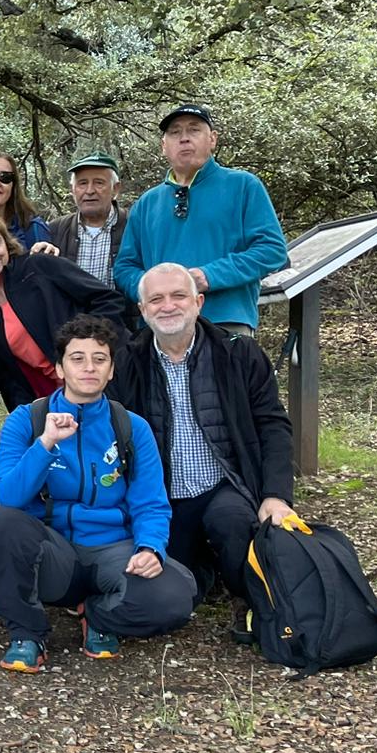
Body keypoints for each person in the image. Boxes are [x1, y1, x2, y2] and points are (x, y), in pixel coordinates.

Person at [0, 314, 195, 673]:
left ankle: (98, 614)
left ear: (111, 371)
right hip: (53, 554)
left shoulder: (130, 427)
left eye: (100, 359)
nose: (89, 368)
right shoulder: (28, 419)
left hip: (113, 552)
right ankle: (27, 633)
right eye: (77, 358)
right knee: (1, 523)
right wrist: (46, 444)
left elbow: (151, 502)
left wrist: (150, 548)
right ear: (60, 368)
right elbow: (7, 495)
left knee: (175, 598)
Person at [114, 262, 297, 625]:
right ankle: (203, 572)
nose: (168, 306)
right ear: (142, 310)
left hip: (222, 486)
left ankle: (251, 602)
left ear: (198, 302)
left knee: (233, 526)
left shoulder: (239, 354)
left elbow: (273, 425)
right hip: (162, 495)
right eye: (156, 299)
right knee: (169, 592)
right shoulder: (126, 362)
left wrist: (276, 495)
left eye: (178, 296)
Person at [112, 104, 287, 335]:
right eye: (175, 132)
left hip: (225, 323)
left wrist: (209, 276)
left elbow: (272, 250)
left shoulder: (243, 186)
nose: (184, 138)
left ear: (212, 139)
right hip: (159, 328)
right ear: (164, 146)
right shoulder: (146, 203)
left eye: (194, 130)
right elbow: (125, 268)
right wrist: (154, 290)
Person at [0, 212, 130, 411]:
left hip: (99, 384)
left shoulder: (38, 266)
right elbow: (8, 373)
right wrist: (26, 412)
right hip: (51, 402)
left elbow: (106, 299)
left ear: (6, 244)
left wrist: (89, 348)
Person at [45, 153, 127, 286]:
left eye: (99, 183)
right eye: (82, 183)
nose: (89, 191)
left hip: (119, 307)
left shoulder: (133, 227)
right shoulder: (55, 230)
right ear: (72, 190)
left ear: (115, 189)